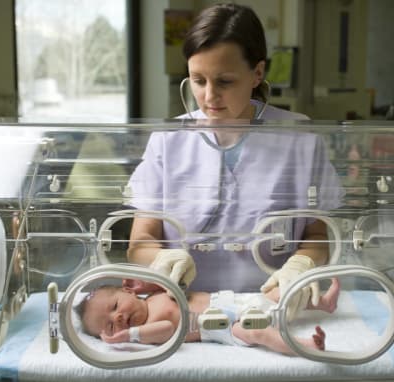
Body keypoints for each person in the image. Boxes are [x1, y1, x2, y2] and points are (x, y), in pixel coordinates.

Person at [126, 3, 343, 318]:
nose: (210, 96)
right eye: (198, 81)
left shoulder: (300, 138)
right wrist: (160, 259)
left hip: (272, 309)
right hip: (184, 308)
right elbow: (139, 242)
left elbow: (317, 236)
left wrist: (302, 263)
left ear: (257, 73)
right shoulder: (168, 139)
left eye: (224, 81)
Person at [75, 278, 341, 356]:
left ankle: (323, 304)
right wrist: (128, 336)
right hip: (225, 327)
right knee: (257, 333)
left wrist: (145, 284)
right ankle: (305, 346)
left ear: (127, 291)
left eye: (115, 306)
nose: (119, 317)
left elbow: (172, 278)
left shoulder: (153, 294)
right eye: (110, 324)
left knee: (278, 293)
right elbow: (169, 328)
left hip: (234, 300)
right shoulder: (148, 330)